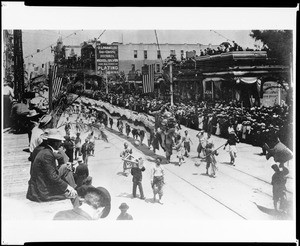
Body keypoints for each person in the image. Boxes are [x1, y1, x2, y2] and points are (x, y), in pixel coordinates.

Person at [26, 129, 78, 203]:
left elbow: (49, 172)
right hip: (42, 191)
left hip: (39, 185)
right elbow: (53, 177)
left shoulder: (46, 151)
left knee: (65, 168)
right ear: (55, 142)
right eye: (59, 141)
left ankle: (73, 189)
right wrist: (68, 187)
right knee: (73, 194)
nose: (61, 143)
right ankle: (76, 204)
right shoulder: (47, 154)